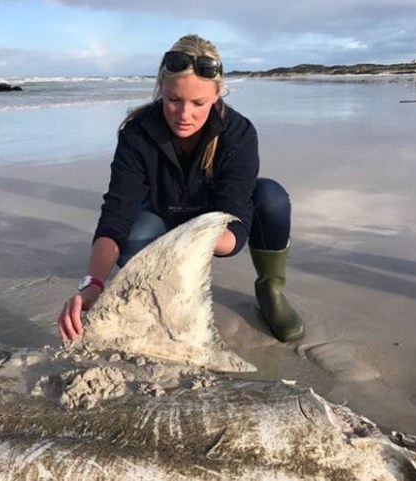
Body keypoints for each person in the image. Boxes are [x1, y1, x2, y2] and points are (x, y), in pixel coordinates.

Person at [58, 34, 304, 344]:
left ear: (217, 95)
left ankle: (271, 290)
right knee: (132, 236)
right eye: (174, 100)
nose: (184, 115)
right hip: (164, 214)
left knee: (272, 196)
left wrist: (191, 240)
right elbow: (117, 213)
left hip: (215, 226)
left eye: (199, 103)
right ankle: (167, 296)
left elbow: (235, 233)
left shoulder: (238, 134)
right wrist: (92, 284)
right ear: (161, 87)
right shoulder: (137, 133)